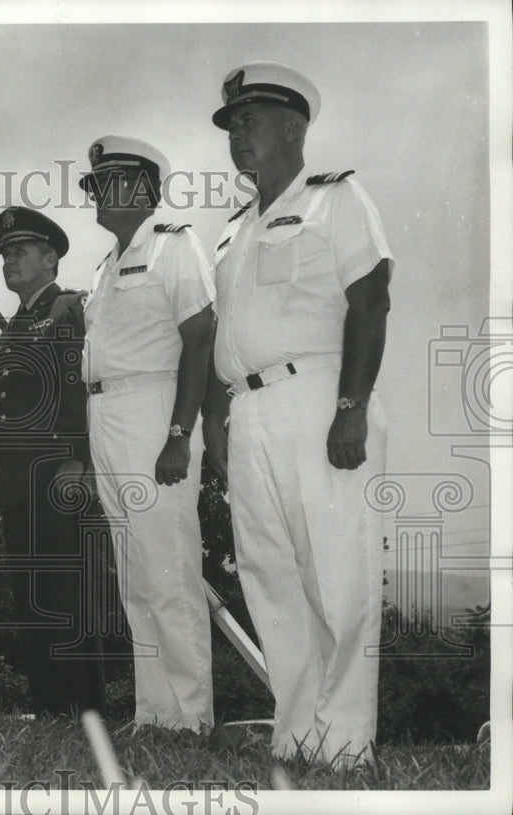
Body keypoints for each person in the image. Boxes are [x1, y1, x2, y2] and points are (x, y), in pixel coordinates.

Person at [203, 61, 393, 766]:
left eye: (249, 121)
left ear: (293, 126)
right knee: (270, 574)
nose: (237, 136)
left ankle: (345, 743)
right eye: (231, 126)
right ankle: (298, 731)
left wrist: (352, 406)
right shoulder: (231, 232)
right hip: (248, 411)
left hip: (319, 395)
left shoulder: (336, 199)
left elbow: (371, 300)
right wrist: (221, 418)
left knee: (337, 572)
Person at [80, 135, 216, 732]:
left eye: (107, 183)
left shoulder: (173, 245)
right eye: (93, 184)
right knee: (136, 573)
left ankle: (191, 717)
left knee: (169, 570)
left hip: (153, 409)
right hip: (107, 416)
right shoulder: (105, 268)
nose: (97, 196)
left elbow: (201, 335)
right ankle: (154, 712)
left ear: (143, 189)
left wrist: (180, 432)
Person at [0, 206, 106, 717]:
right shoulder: (15, 324)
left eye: (21, 251)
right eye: (6, 253)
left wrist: (79, 459)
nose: (10, 260)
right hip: (19, 487)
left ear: (51, 258)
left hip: (59, 478)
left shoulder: (67, 310)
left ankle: (86, 712)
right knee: (35, 603)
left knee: (67, 598)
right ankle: (52, 711)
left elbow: (81, 388)